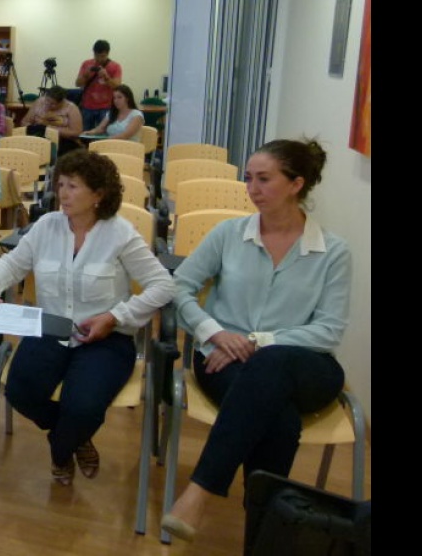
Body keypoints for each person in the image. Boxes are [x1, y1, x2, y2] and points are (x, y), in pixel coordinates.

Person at [160, 138, 350, 543]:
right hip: (223, 358)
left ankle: (200, 491)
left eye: (264, 179)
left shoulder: (333, 252)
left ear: (297, 183)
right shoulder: (228, 234)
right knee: (278, 420)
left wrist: (257, 341)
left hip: (306, 365)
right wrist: (213, 332)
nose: (252, 188)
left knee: (271, 362)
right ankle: (265, 536)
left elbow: (329, 329)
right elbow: (180, 287)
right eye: (249, 178)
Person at [0, 150, 174, 486]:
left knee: (84, 406)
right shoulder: (47, 226)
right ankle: (71, 438)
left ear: (99, 194)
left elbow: (163, 285)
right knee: (19, 390)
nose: (63, 193)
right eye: (61, 184)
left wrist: (115, 315)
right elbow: (12, 264)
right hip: (51, 329)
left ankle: (61, 449)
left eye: (74, 186)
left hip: (106, 338)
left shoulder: (120, 233)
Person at [74, 39, 123, 132]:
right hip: (87, 106)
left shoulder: (115, 66)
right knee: (85, 134)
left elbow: (117, 86)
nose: (99, 59)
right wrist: (86, 75)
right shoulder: (87, 64)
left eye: (102, 56)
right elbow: (77, 83)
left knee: (104, 135)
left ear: (108, 54)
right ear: (94, 53)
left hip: (106, 107)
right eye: (96, 56)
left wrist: (106, 77)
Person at [22, 85, 84, 156]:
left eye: (52, 104)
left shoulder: (71, 108)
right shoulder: (39, 102)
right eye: (47, 101)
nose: (48, 105)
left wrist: (48, 128)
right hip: (39, 138)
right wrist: (34, 127)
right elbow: (24, 122)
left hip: (63, 141)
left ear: (62, 102)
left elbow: (76, 132)